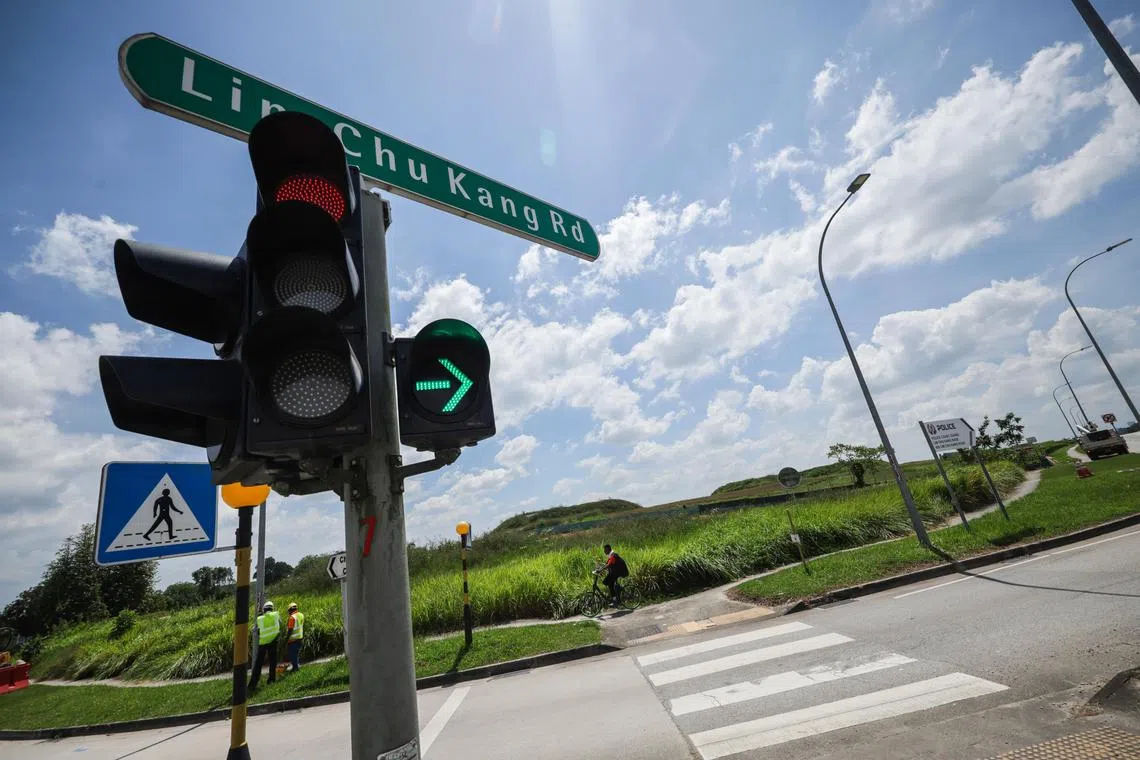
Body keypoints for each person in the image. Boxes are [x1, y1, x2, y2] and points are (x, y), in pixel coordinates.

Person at [248, 601, 281, 690]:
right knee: (273, 662)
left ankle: (253, 683)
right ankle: (271, 679)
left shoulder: (260, 618)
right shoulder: (276, 615)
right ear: (272, 608)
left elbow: (258, 630)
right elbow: (279, 625)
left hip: (263, 642)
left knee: (258, 664)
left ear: (264, 609)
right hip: (273, 641)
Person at [285, 602, 305, 672]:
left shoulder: (292, 618)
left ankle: (295, 668)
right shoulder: (301, 615)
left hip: (292, 640)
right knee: (297, 654)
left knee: (293, 655)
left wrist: (286, 639)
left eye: (289, 611)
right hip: (300, 638)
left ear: (290, 610)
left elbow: (290, 629)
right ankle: (297, 666)